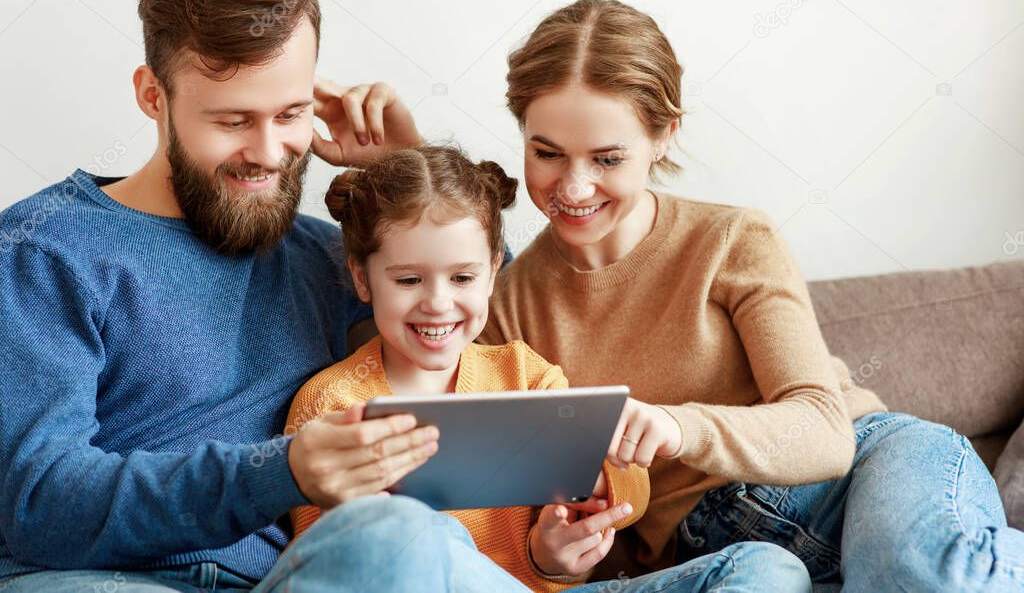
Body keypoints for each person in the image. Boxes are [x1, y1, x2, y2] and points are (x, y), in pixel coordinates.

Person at [0, 0, 520, 593]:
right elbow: (38, 503)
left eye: (292, 113)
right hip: (97, 578)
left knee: (413, 536)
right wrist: (284, 470)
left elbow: (500, 297)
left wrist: (412, 170)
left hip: (301, 579)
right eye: (233, 120)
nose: (271, 151)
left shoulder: (329, 258)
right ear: (152, 95)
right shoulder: (44, 250)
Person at [479, 0, 1024, 592]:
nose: (574, 187)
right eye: (547, 153)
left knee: (921, 575)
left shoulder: (731, 240)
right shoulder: (503, 308)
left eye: (607, 158)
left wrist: (680, 428)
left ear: (664, 137)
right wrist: (553, 555)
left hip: (867, 472)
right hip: (726, 557)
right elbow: (552, 524)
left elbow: (825, 430)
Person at [284, 144, 811, 592]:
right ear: (362, 279)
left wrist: (555, 549)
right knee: (415, 533)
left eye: (462, 278)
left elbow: (620, 492)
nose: (438, 304)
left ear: (493, 273)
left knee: (769, 568)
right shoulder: (331, 405)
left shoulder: (524, 374)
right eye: (408, 281)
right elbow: (322, 563)